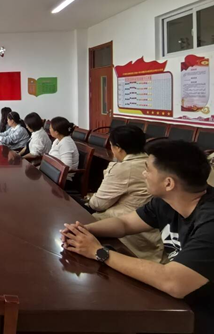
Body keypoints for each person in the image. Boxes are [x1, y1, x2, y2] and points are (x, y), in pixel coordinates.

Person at [61, 140, 214, 334]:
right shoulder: (167, 201)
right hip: (183, 301)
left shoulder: (210, 221)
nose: (144, 174)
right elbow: (124, 224)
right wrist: (83, 230)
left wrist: (99, 252)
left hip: (202, 313)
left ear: (168, 183)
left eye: (148, 169)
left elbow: (174, 281)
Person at [86, 125, 163, 262]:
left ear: (118, 148)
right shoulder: (151, 163)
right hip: (150, 232)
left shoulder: (124, 168)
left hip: (130, 234)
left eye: (111, 146)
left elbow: (98, 204)